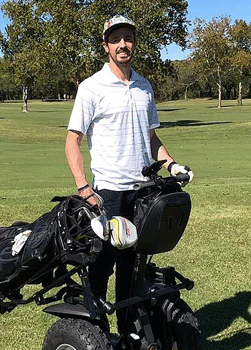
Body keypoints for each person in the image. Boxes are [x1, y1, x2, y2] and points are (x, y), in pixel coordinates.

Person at [65, 15, 194, 335]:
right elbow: (72, 140)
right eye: (116, 39)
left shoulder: (144, 87)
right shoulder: (91, 87)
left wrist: (171, 165)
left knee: (133, 266)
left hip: (145, 192)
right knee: (101, 264)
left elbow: (151, 139)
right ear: (106, 46)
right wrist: (83, 187)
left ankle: (127, 330)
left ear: (134, 43)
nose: (123, 44)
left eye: (128, 38)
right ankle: (94, 331)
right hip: (108, 192)